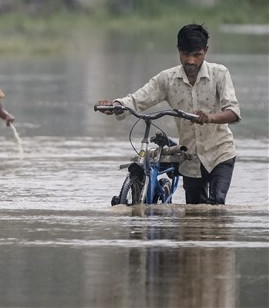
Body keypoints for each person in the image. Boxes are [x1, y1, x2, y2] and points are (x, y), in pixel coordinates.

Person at [95, 24, 240, 205]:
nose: (191, 61)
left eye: (197, 55)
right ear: (178, 50)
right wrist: (116, 105)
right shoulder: (167, 79)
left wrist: (209, 117)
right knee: (194, 213)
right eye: (186, 54)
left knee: (217, 202)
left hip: (220, 153)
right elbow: (139, 98)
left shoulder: (220, 74)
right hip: (190, 157)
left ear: (206, 51)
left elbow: (233, 112)